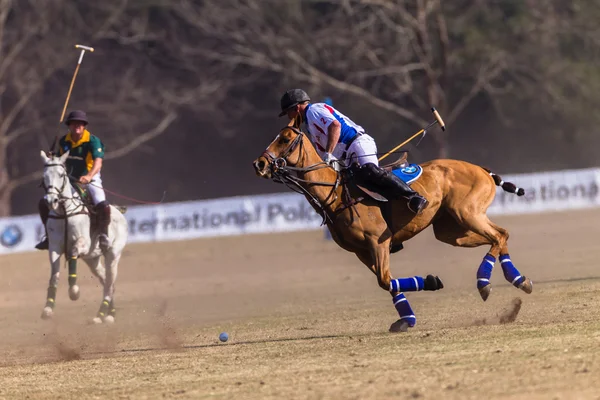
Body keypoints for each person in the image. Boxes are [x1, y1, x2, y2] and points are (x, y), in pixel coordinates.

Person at [278, 89, 428, 214]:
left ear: (296, 108)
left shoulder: (313, 111)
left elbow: (335, 126)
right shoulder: (309, 125)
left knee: (370, 172)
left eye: (288, 113)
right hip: (347, 157)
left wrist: (328, 154)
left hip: (357, 143)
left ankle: (414, 197)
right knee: (354, 191)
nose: (289, 118)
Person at [36, 110, 111, 250]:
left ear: (84, 126)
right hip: (69, 179)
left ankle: (103, 235)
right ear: (69, 126)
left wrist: (89, 176)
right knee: (44, 202)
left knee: (102, 203)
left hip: (90, 177)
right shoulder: (64, 141)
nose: (77, 125)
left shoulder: (93, 141)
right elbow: (58, 161)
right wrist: (52, 157)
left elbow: (98, 163)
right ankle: (48, 236)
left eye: (80, 123)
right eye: (73, 123)